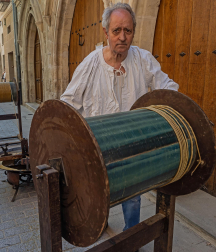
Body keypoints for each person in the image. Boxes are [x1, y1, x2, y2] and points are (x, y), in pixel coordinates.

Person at [60, 2, 178, 235]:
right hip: (97, 146)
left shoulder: (143, 60)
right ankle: (98, 226)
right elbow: (68, 103)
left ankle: (130, 234)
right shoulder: (90, 64)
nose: (123, 37)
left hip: (131, 144)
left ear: (133, 31)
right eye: (116, 31)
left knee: (132, 194)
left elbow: (167, 89)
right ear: (105, 32)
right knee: (96, 190)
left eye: (128, 31)